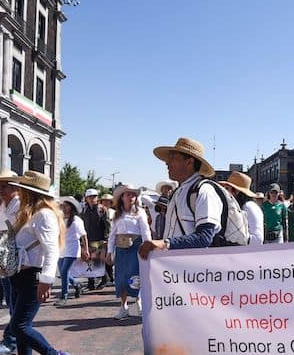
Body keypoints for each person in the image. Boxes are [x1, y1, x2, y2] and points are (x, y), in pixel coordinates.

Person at [0, 171, 70, 355]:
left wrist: (46, 280)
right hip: (20, 276)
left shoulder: (44, 214)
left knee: (19, 326)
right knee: (19, 325)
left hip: (33, 277)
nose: (19, 191)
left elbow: (51, 249)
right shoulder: (32, 213)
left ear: (30, 191)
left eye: (23, 188)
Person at [139, 137, 222, 259]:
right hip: (178, 271)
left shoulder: (204, 191)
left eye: (173, 158)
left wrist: (165, 244)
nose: (167, 163)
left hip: (195, 272)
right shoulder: (178, 193)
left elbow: (204, 237)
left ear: (189, 162)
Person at [106, 184, 151, 319]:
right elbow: (112, 234)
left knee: (135, 277)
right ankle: (123, 307)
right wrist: (109, 251)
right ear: (122, 198)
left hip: (135, 247)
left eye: (133, 195)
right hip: (121, 249)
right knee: (121, 278)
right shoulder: (117, 215)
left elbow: (145, 231)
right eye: (128, 194)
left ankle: (139, 303)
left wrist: (148, 247)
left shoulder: (140, 212)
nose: (131, 197)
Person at [0, 170, 22, 355]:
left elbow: (17, 229)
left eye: (5, 187)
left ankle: (11, 341)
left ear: (15, 187)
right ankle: (16, 338)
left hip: (14, 259)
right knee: (12, 301)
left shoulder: (19, 205)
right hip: (3, 258)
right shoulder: (4, 206)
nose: (1, 191)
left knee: (14, 302)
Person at [55, 196, 89, 305]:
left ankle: (64, 296)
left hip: (72, 248)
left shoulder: (76, 220)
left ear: (71, 207)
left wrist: (86, 249)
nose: (64, 208)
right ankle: (76, 285)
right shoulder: (60, 219)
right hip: (61, 248)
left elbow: (84, 236)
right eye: (63, 206)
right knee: (63, 272)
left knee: (64, 271)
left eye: (66, 206)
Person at [220, 172, 263, 246]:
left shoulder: (250, 207)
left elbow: (258, 239)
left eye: (227, 188)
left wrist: (236, 240)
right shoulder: (239, 206)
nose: (225, 191)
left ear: (237, 191)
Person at [81, 188, 109, 290]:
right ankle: (90, 283)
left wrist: (106, 238)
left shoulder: (102, 209)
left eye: (94, 196)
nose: (92, 199)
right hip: (88, 239)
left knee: (99, 262)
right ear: (86, 198)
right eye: (90, 197)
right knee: (89, 261)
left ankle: (104, 279)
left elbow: (107, 225)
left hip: (100, 239)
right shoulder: (83, 209)